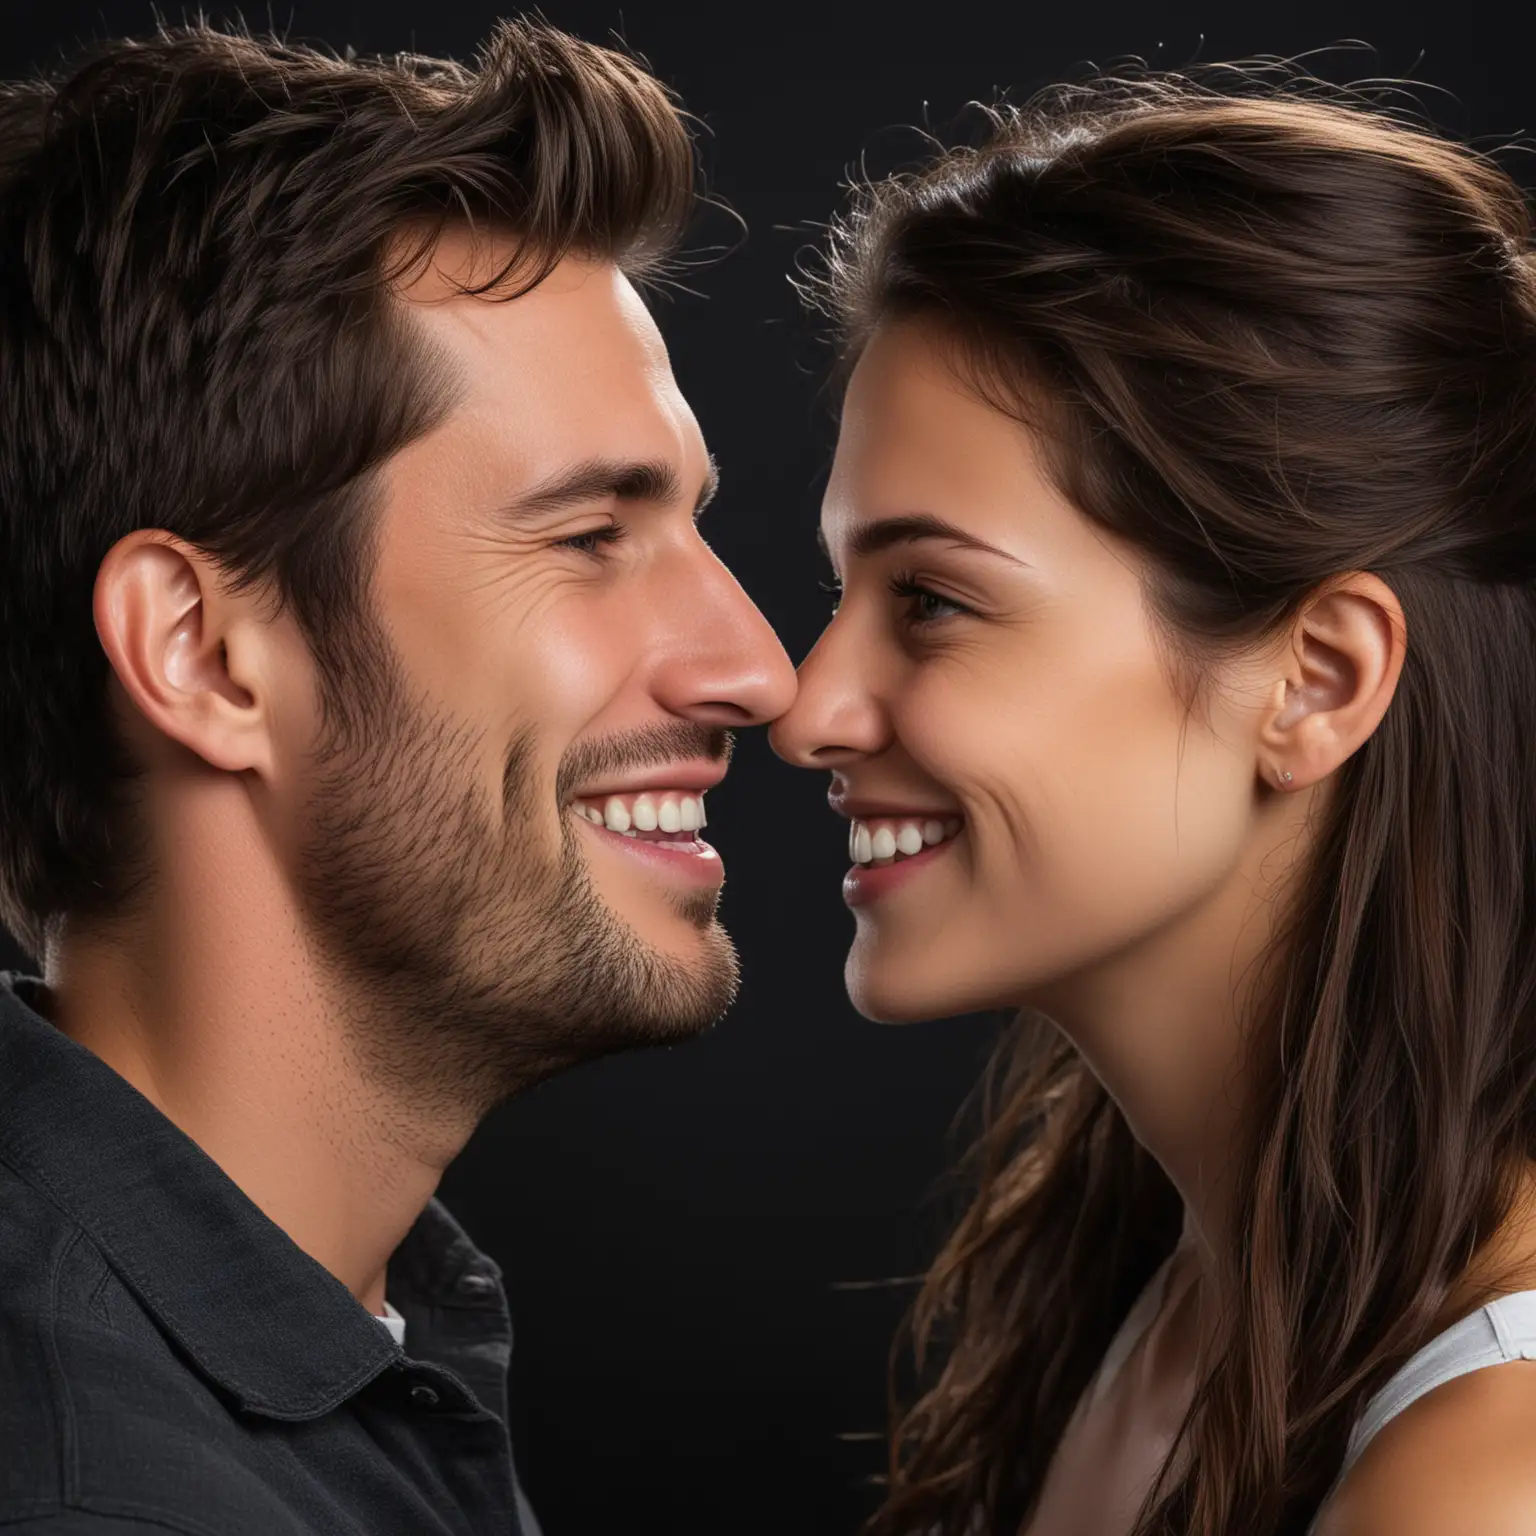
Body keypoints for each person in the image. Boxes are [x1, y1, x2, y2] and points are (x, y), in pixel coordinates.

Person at [0, 15, 795, 1534]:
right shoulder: (102, 1494)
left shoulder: (335, 1329)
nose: (758, 668)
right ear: (206, 654)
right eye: (586, 539)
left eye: (691, 524)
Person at [770, 67, 1536, 1536]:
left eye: (929, 600)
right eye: (842, 587)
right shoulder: (1153, 1288)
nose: (806, 706)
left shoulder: (1480, 1478)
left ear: (1315, 680)